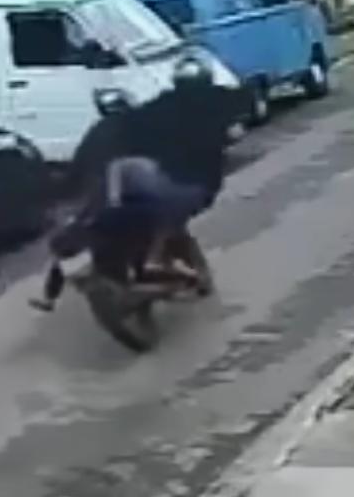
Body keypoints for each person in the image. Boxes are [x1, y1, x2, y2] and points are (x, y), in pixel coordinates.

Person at [31, 55, 243, 312]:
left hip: (132, 199)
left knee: (84, 221)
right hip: (186, 189)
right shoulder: (212, 105)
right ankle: (145, 261)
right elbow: (236, 125)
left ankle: (53, 294)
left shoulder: (143, 120)